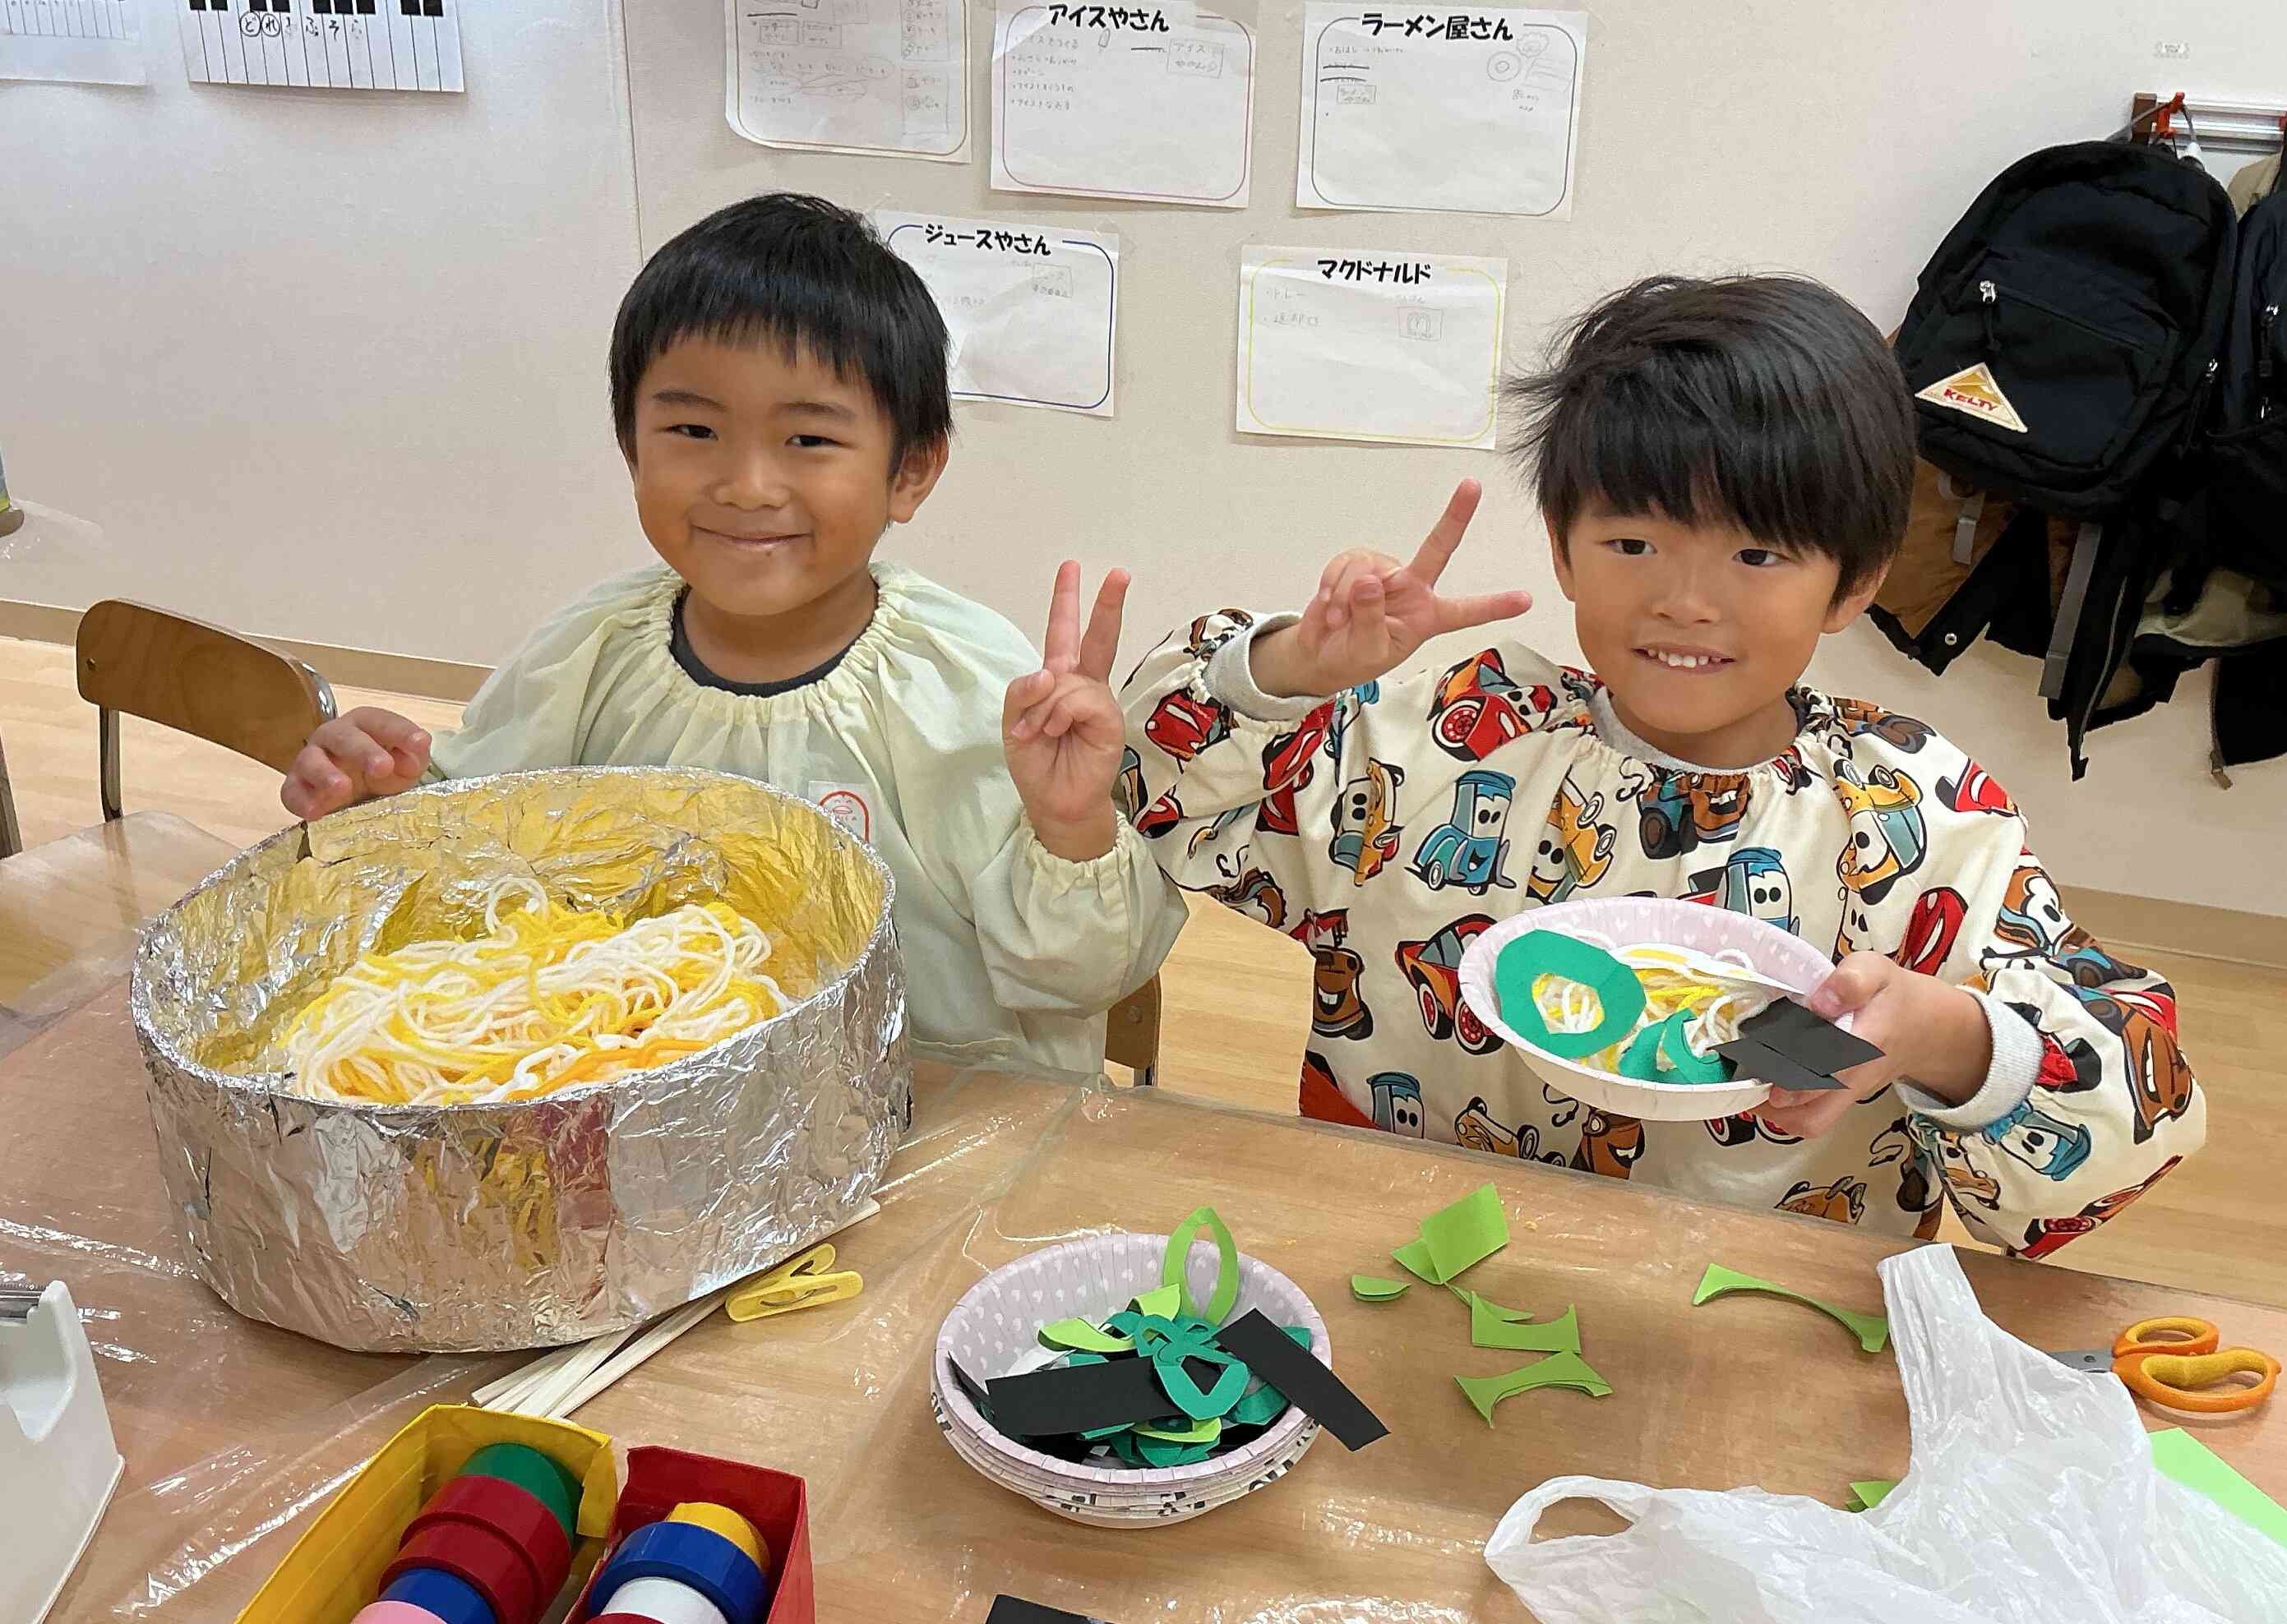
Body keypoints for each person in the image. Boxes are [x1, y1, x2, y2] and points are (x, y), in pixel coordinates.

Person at [1098, 275, 2202, 1253]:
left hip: (1749, 1327)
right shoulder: (1448, 735)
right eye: (1631, 543)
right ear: (1560, 546)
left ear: (1855, 582)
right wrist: (1288, 668)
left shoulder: (1913, 814)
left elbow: (2128, 1111)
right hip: (1402, 1262)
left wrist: (1943, 1036)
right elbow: (1157, 790)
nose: (1683, 599)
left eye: (1756, 552)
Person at [282, 192, 1184, 1077]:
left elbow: (1086, 980)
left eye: (807, 440)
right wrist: (381, 797)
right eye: (693, 428)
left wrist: (1069, 830)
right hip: (637, 1132)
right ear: (632, 447)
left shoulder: (968, 684)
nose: (747, 484)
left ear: (908, 471)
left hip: (934, 1118)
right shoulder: (589, 650)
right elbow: (473, 859)